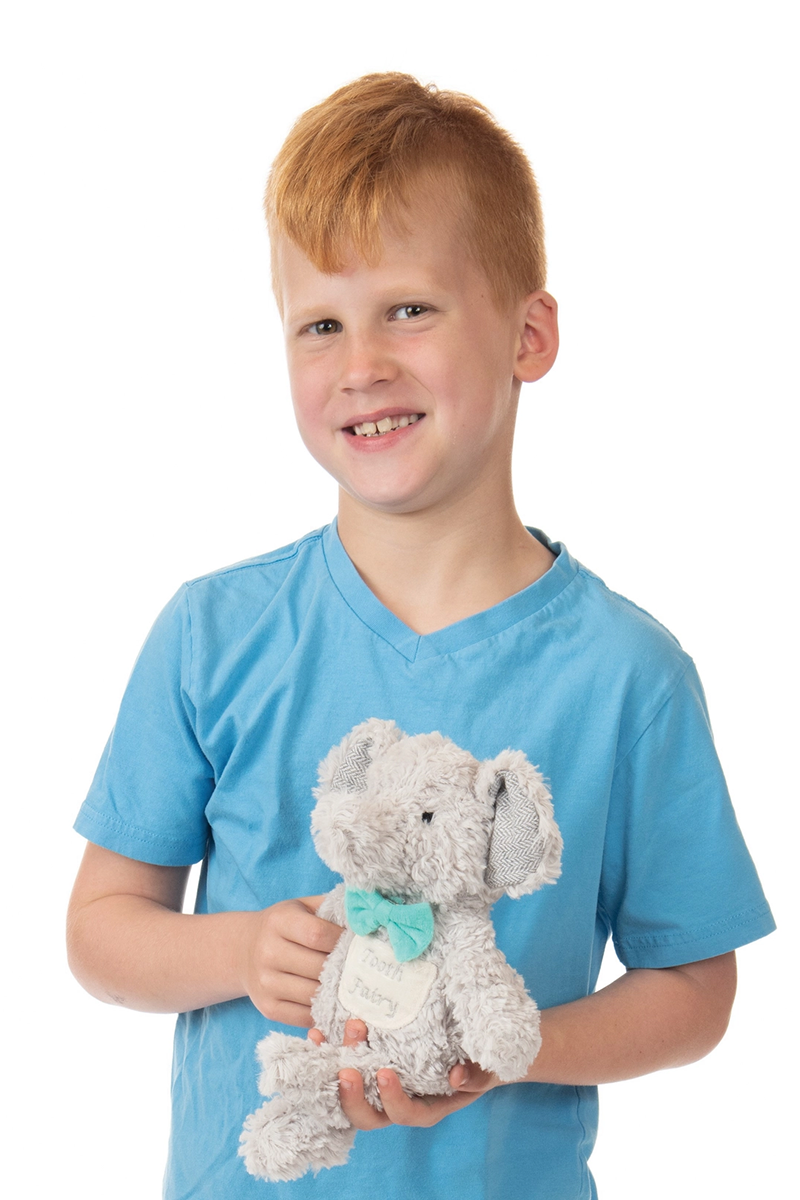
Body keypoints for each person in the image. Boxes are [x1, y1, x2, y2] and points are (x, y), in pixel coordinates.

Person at [66, 73, 775, 1199]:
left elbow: (694, 989)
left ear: (527, 334)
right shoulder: (212, 633)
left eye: (407, 308)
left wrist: (517, 1048)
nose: (361, 364)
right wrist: (242, 951)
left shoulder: (627, 676)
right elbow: (101, 932)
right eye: (319, 325)